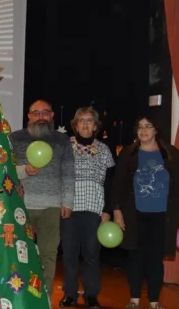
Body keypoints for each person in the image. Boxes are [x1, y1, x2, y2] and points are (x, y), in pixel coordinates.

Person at [112, 117, 179, 309]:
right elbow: (118, 184)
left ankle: (155, 302)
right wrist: (116, 210)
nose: (143, 130)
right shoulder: (128, 154)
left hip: (163, 215)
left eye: (148, 126)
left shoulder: (172, 154)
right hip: (134, 214)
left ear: (156, 130)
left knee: (156, 259)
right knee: (135, 258)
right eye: (140, 127)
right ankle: (134, 300)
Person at [8, 99, 75, 294]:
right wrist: (23, 171)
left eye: (45, 113)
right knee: (19, 254)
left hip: (51, 206)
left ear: (52, 115)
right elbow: (6, 169)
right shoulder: (15, 138)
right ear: (28, 116)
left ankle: (44, 298)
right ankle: (19, 297)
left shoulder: (62, 140)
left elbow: (68, 172)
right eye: (36, 113)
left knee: (48, 255)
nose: (40, 117)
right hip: (21, 206)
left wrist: (67, 202)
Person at [60, 107, 115, 309]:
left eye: (89, 120)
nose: (84, 124)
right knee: (69, 254)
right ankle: (70, 294)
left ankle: (91, 295)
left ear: (95, 126)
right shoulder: (65, 147)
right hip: (69, 208)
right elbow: (59, 177)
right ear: (75, 125)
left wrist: (108, 209)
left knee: (92, 254)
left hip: (94, 209)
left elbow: (110, 183)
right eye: (81, 120)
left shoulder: (104, 150)